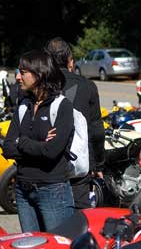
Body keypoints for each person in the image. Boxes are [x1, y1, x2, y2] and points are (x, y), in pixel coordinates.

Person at [2, 51, 75, 232]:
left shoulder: (61, 106)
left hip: (52, 190)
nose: (18, 77)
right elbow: (8, 148)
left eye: (23, 72)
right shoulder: (23, 105)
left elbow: (52, 152)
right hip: (22, 189)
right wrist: (39, 145)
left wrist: (22, 141)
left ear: (40, 73)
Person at [44, 38, 105, 211]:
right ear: (70, 61)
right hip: (79, 164)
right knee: (79, 219)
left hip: (46, 165)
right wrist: (98, 165)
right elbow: (97, 131)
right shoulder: (87, 86)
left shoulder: (39, 85)